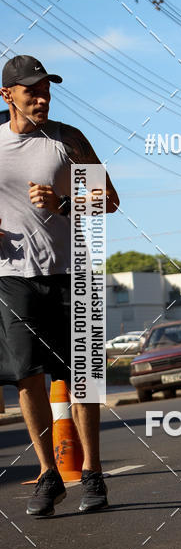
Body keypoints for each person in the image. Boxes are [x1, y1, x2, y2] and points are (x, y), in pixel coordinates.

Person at [0, 55, 119, 516]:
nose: (43, 97)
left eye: (47, 89)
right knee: (27, 377)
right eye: (32, 90)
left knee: (80, 378)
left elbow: (108, 200)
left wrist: (65, 201)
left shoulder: (67, 140)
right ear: (7, 95)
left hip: (72, 274)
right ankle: (49, 475)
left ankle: (92, 473)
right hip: (11, 276)